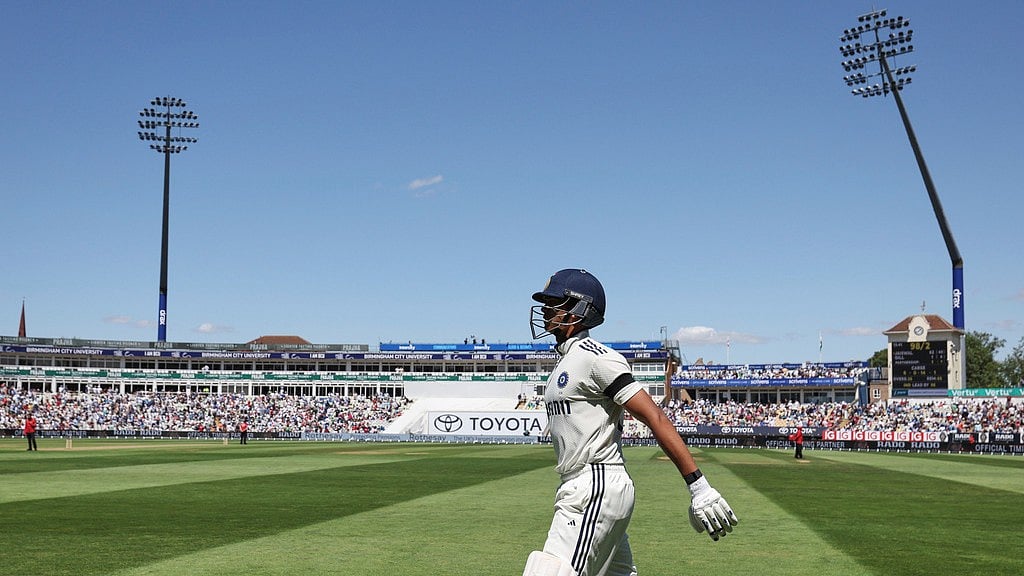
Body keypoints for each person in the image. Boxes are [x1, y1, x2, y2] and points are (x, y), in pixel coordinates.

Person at [523, 268, 738, 576]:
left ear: (579, 309)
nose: (545, 310)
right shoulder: (567, 360)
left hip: (594, 485)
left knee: (550, 572)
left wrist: (699, 487)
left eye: (553, 303)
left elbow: (654, 416)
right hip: (585, 487)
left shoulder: (596, 358)